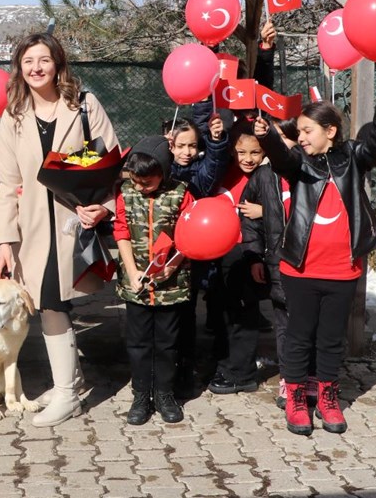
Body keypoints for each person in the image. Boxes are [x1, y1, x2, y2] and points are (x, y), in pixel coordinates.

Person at [253, 95, 376, 436]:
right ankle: (295, 398)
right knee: (299, 336)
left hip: (342, 270)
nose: (302, 137)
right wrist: (267, 137)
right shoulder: (298, 163)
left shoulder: (352, 156)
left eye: (308, 131)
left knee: (331, 339)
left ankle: (328, 396)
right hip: (301, 269)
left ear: (330, 131)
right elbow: (281, 157)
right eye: (300, 132)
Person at [0, 32, 119, 427]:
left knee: (52, 300)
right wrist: (5, 241)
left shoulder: (85, 106)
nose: (36, 68)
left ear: (58, 64)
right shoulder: (13, 116)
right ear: (19, 67)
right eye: (28, 61)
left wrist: (104, 208)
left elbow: (111, 162)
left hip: (74, 225)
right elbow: (6, 184)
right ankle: (70, 381)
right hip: (32, 230)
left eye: (44, 60)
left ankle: (67, 393)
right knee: (48, 300)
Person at [113, 136, 194, 425]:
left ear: (163, 172)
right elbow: (121, 231)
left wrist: (173, 266)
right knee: (138, 343)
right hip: (137, 286)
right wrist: (132, 271)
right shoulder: (125, 193)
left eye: (146, 182)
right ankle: (140, 395)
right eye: (135, 180)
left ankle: (164, 394)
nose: (140, 187)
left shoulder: (181, 193)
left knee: (167, 343)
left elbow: (191, 234)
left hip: (170, 286)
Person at [165, 105, 229, 397]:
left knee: (190, 310)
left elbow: (212, 169)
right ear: (169, 144)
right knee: (171, 313)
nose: (187, 151)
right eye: (180, 146)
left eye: (192, 145)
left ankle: (188, 366)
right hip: (165, 251)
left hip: (196, 252)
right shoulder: (163, 169)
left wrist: (216, 143)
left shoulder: (198, 176)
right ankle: (169, 363)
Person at [240, 118, 302, 409]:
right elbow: (246, 217)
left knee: (307, 325)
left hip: (309, 263)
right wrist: (254, 256)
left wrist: (263, 211)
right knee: (284, 325)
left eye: (284, 139)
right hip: (276, 261)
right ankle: (288, 381)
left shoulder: (309, 171)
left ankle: (309, 377)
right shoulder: (263, 177)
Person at [203, 124, 270, 396]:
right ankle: (225, 362)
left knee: (243, 315)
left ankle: (241, 373)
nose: (248, 158)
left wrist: (264, 210)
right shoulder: (223, 170)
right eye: (241, 151)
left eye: (255, 152)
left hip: (249, 252)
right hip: (219, 252)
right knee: (223, 313)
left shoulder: (267, 175)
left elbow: (290, 206)